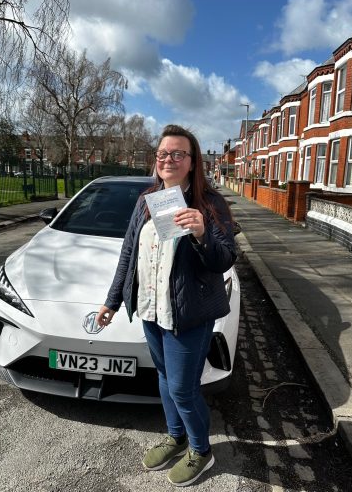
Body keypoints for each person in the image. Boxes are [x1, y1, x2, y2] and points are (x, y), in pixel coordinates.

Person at [96, 124, 237, 487]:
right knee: (164, 378)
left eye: (177, 154)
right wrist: (111, 302)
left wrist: (203, 233)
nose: (168, 159)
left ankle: (201, 451)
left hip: (188, 315)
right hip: (151, 310)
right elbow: (129, 254)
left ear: (192, 162)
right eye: (162, 154)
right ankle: (176, 438)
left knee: (183, 388)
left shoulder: (209, 204)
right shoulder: (147, 201)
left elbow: (224, 259)